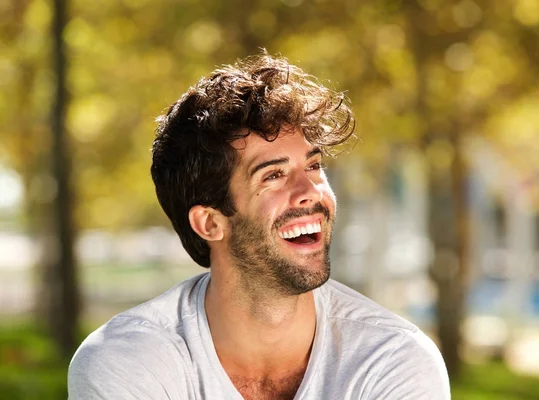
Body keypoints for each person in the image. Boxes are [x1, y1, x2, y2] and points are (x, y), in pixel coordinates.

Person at [68, 53, 450, 400]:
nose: (310, 192)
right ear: (210, 222)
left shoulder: (394, 359)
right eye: (273, 175)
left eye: (313, 166)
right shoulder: (128, 362)